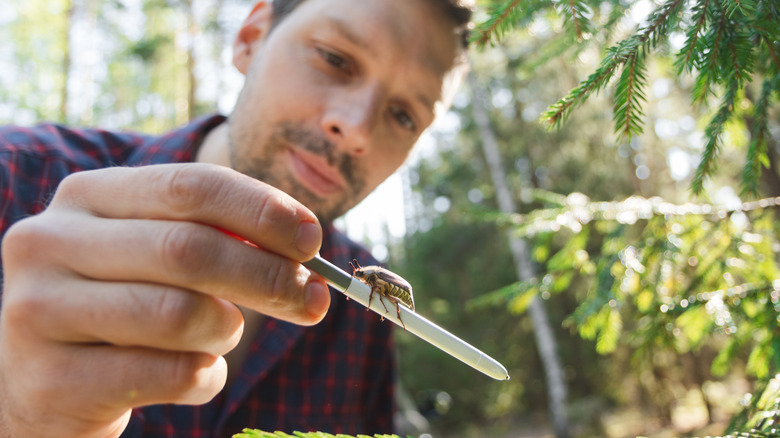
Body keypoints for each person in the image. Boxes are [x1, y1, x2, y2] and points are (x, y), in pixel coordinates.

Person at [0, 0, 473, 436]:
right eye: (335, 58)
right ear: (251, 38)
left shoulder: (362, 320)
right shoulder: (15, 175)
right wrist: (18, 412)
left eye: (405, 116)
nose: (355, 128)